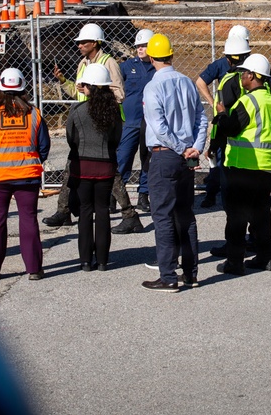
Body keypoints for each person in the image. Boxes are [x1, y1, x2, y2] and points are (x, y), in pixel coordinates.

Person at [46, 23, 142, 234]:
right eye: (79, 42)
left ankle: (129, 214)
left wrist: (96, 91)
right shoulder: (83, 63)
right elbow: (78, 93)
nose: (79, 45)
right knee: (73, 165)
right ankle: (64, 210)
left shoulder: (109, 63)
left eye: (83, 42)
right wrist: (64, 81)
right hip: (85, 120)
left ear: (96, 43)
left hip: (104, 122)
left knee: (108, 169)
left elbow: (119, 94)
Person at [141, 33, 208, 293]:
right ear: (171, 55)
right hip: (186, 158)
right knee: (186, 216)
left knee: (163, 216)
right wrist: (195, 148)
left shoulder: (153, 86)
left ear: (152, 57)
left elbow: (159, 128)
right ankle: (190, 274)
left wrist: (182, 149)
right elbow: (201, 119)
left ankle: (168, 276)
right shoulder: (187, 82)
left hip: (165, 155)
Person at [214, 54, 271, 276]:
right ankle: (266, 257)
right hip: (266, 168)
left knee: (237, 217)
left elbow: (232, 128)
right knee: (261, 215)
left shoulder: (247, 101)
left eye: (245, 73)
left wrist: (222, 115)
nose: (242, 76)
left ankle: (234, 263)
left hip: (243, 167)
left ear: (253, 76)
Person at [0, 67, 51, 280]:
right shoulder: (34, 114)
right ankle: (34, 269)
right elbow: (44, 146)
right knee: (28, 219)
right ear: (23, 89)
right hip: (27, 175)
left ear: (0, 88)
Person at [195, 24, 271, 208]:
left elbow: (201, 83)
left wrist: (216, 109)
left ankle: (218, 199)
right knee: (258, 203)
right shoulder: (257, 74)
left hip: (231, 133)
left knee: (223, 171)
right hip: (256, 145)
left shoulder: (228, 80)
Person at [67, 63, 123, 271]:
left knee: (85, 212)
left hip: (82, 166)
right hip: (106, 166)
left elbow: (70, 138)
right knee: (102, 211)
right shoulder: (114, 111)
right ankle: (102, 260)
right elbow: (117, 138)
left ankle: (84, 260)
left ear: (89, 87)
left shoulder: (77, 110)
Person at [119, 29, 156, 213]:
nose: (140, 49)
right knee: (123, 158)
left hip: (150, 124)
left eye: (144, 46)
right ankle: (115, 196)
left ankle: (143, 196)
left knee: (147, 160)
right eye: (138, 46)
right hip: (131, 123)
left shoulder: (158, 68)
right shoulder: (127, 67)